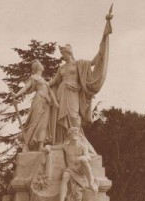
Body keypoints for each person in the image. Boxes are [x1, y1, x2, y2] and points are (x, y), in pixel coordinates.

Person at [48, 8, 113, 149]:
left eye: (63, 53)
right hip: (62, 93)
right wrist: (41, 84)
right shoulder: (62, 68)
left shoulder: (79, 64)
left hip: (73, 93)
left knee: (74, 116)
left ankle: (77, 140)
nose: (62, 56)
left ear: (68, 52)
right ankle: (65, 141)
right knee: (63, 117)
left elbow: (94, 62)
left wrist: (103, 46)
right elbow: (54, 82)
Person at [44, 127, 98, 201]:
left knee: (84, 161)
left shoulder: (83, 146)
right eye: (73, 133)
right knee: (65, 176)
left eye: (77, 133)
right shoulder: (66, 147)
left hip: (81, 169)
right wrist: (47, 147)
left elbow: (88, 157)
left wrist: (81, 157)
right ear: (69, 135)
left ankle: (90, 183)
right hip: (71, 169)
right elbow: (53, 147)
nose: (76, 134)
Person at [13, 60, 58, 151]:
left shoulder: (44, 81)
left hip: (47, 103)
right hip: (39, 100)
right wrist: (16, 95)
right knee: (34, 123)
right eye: (41, 64)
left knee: (44, 124)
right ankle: (25, 145)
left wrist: (56, 103)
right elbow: (26, 88)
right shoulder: (33, 78)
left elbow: (51, 92)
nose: (42, 65)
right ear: (37, 67)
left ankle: (41, 145)